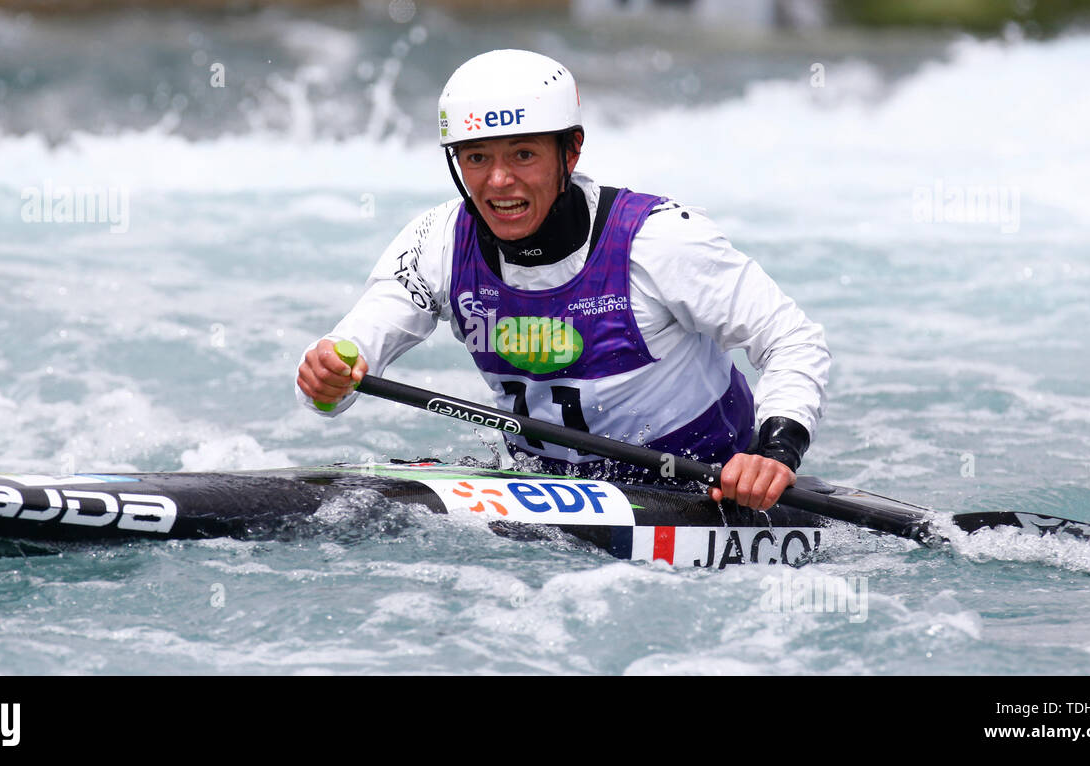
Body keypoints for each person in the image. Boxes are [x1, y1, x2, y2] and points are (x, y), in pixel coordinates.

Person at [296, 49, 829, 511]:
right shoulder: (438, 240)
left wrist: (774, 452)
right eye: (476, 158)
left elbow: (791, 338)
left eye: (523, 154)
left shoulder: (658, 240)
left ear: (570, 150)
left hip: (702, 491)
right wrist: (329, 374)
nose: (499, 181)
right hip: (547, 488)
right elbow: (348, 360)